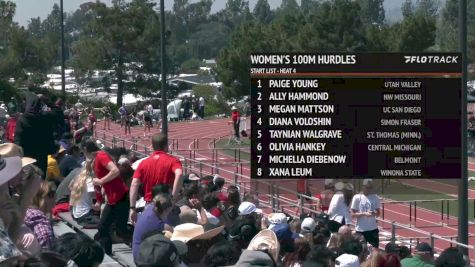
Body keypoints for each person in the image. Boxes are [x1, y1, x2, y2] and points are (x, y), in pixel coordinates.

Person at [83, 138, 129, 254]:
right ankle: (107, 253)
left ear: (86, 150)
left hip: (120, 196)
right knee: (104, 227)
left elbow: (115, 171)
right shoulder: (94, 161)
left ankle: (139, 241)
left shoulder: (101, 156)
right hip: (113, 199)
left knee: (120, 230)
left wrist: (102, 180)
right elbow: (96, 182)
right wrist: (98, 201)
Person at [129, 133, 183, 225]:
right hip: (166, 205)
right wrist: (173, 198)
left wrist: (132, 208)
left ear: (153, 147)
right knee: (170, 234)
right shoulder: (173, 161)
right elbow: (179, 174)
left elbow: (134, 183)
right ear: (166, 146)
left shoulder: (143, 163)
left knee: (151, 232)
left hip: (150, 205)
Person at [14, 94, 57, 175]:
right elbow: (57, 112)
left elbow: (17, 141)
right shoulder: (45, 117)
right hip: (43, 156)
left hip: (27, 159)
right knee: (41, 178)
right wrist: (47, 101)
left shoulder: (22, 120)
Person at [132, 193, 174, 260]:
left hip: (137, 252)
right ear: (166, 210)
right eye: (169, 211)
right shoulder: (159, 225)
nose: (170, 214)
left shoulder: (150, 208)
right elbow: (172, 231)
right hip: (144, 259)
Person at [24, 181, 57, 250]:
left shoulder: (27, 212)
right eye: (53, 196)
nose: (55, 201)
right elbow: (48, 252)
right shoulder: (41, 224)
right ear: (45, 198)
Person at [351, 179, 380, 248]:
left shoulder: (375, 197)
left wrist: (374, 213)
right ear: (363, 187)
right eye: (367, 187)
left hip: (373, 229)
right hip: (360, 230)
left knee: (375, 250)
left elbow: (378, 213)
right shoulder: (357, 197)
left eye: (370, 187)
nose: (369, 189)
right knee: (360, 250)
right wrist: (364, 214)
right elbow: (352, 214)